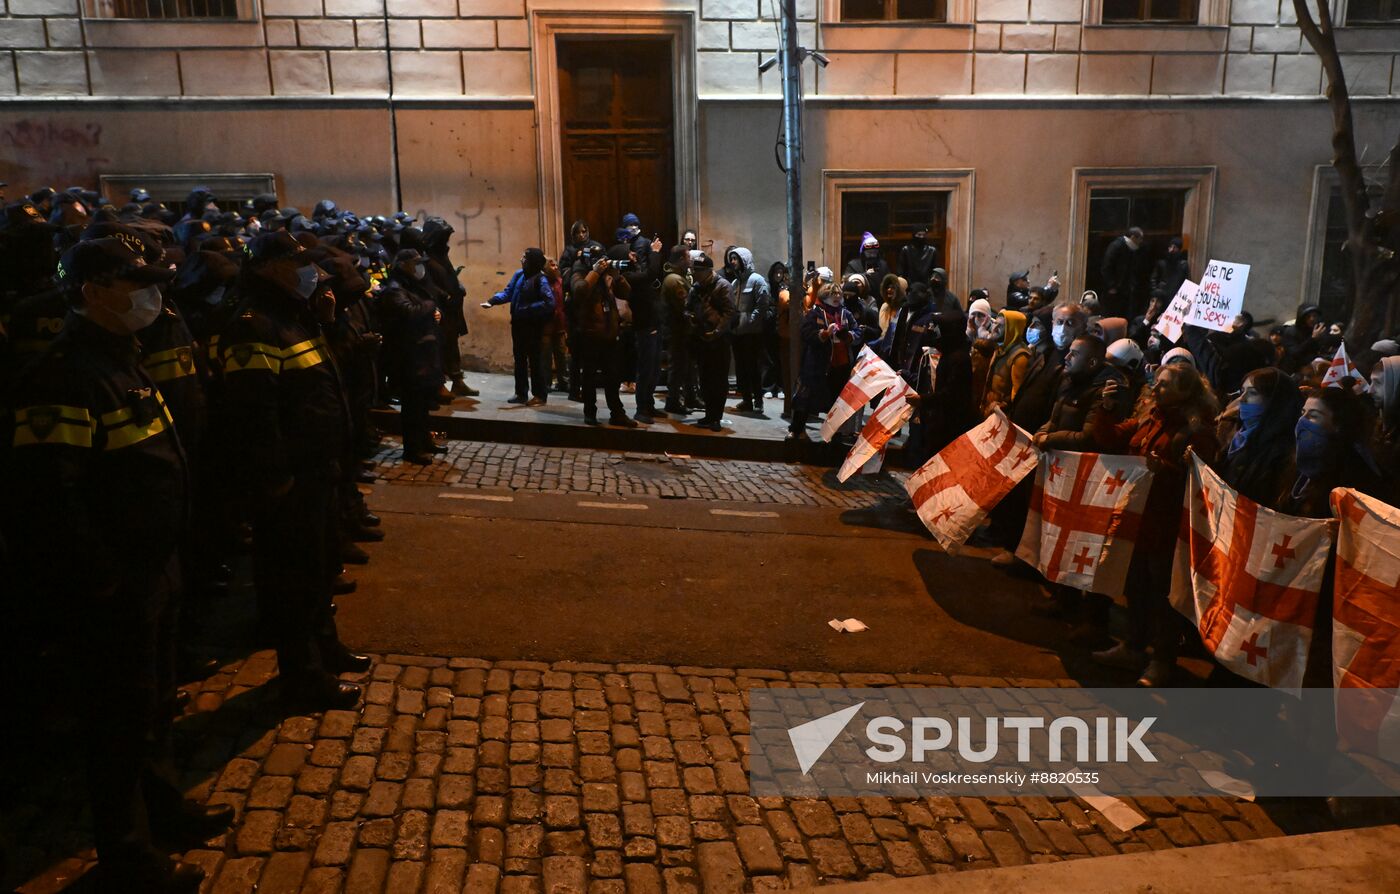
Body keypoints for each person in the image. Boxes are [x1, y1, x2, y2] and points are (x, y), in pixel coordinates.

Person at [1, 236, 227, 891]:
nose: (153, 296)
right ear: (93, 291)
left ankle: (163, 809)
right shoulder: (64, 375)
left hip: (153, 569)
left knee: (154, 704)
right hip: (115, 586)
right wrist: (102, 578)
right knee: (118, 722)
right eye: (137, 285)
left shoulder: (120, 357)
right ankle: (127, 854)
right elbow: (47, 499)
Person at [220, 232, 368, 710]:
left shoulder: (294, 317)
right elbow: (253, 412)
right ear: (269, 269)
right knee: (296, 579)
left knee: (321, 567)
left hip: (319, 470)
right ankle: (303, 675)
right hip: (292, 479)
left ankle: (326, 647)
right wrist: (277, 478)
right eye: (296, 263)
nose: (308, 273)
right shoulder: (254, 325)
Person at [1087, 363, 1220, 687]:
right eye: (1156, 382)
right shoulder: (1151, 417)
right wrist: (1105, 410)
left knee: (1163, 598)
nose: (1156, 389)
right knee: (1136, 588)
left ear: (1185, 391)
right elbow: (1113, 438)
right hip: (1140, 522)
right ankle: (1133, 646)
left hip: (1168, 528)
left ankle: (1162, 661)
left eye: (1165, 385)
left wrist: (1168, 470)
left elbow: (1202, 484)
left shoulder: (1195, 430)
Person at [1030, 335, 1131, 643]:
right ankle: (1065, 599)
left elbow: (1089, 437)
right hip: (1068, 480)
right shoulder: (1071, 380)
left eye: (1074, 354)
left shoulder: (1106, 392)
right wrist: (1047, 428)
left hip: (1093, 484)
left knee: (1089, 551)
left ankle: (1093, 620)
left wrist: (1052, 438)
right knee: (1063, 539)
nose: (1066, 358)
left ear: (1091, 361)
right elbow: (1058, 414)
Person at [379, 248, 445, 459]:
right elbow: (410, 312)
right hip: (409, 357)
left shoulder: (413, 286)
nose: (420, 268)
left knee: (422, 405)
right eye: (416, 263)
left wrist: (434, 312)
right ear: (403, 266)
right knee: (412, 407)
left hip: (422, 355)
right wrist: (430, 305)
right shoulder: (395, 289)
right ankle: (413, 449)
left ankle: (424, 441)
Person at [1279, 386, 1383, 518]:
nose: (1302, 421)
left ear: (1338, 425)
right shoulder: (1299, 464)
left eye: (1313, 416)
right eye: (1303, 413)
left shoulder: (1353, 476)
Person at [1212, 367, 1303, 507]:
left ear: (1274, 402)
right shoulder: (1234, 435)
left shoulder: (1284, 452)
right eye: (1242, 392)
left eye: (1252, 393)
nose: (1242, 399)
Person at [570, 246, 637, 427]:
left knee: (613, 377)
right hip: (590, 335)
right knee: (589, 378)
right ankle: (590, 413)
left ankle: (617, 413)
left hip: (609, 334)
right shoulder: (579, 272)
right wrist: (594, 273)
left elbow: (626, 293)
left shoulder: (605, 278)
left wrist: (617, 276)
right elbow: (579, 291)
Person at [787, 283, 861, 441]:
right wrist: (824, 334)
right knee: (805, 398)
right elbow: (806, 333)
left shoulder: (845, 314)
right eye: (831, 293)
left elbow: (857, 331)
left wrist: (848, 336)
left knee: (837, 403)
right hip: (817, 364)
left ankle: (835, 434)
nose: (836, 297)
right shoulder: (815, 313)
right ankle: (796, 430)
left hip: (841, 365)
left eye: (838, 294)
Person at [483, 248, 557, 407]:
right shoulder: (519, 275)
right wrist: (493, 301)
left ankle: (539, 395)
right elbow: (508, 293)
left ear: (532, 261)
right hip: (518, 325)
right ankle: (521, 393)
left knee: (535, 361)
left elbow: (549, 303)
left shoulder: (540, 280)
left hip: (533, 327)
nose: (521, 259)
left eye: (524, 257)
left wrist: (528, 309)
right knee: (520, 360)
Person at [420, 216, 478, 398]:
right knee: (439, 347)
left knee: (452, 345)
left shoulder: (440, 254)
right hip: (440, 309)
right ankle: (439, 385)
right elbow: (427, 282)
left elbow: (447, 275)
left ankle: (457, 380)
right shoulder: (425, 257)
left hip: (452, 309)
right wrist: (443, 295)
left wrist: (457, 285)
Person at [685, 251, 734, 431]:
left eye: (697, 270)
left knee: (718, 380)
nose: (694, 273)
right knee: (704, 379)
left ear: (707, 271)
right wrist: (690, 319)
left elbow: (729, 312)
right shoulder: (696, 288)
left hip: (718, 341)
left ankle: (716, 417)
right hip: (701, 338)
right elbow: (688, 307)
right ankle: (708, 414)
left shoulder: (722, 286)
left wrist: (716, 331)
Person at [620, 236, 665, 422]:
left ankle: (649, 404)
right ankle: (641, 408)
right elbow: (650, 275)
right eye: (634, 253)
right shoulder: (629, 275)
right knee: (646, 368)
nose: (636, 256)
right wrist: (654, 253)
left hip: (653, 322)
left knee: (654, 368)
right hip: (644, 325)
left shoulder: (639, 269)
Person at [723, 246, 770, 414]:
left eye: (736, 259)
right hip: (737, 332)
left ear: (745, 260)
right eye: (732, 259)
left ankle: (758, 400)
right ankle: (746, 400)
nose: (733, 262)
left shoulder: (757, 280)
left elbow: (763, 304)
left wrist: (750, 321)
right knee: (741, 368)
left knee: (753, 368)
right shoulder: (736, 282)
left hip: (751, 333)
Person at [661, 245, 695, 415]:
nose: (691, 260)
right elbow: (685, 305)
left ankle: (690, 397)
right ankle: (673, 400)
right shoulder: (674, 280)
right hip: (677, 330)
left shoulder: (679, 277)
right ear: (681, 259)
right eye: (688, 256)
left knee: (687, 366)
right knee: (678, 366)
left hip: (682, 330)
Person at [981, 309, 1031, 416]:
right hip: (989, 410)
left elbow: (1017, 395)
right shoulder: (1000, 348)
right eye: (995, 323)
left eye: (1001, 326)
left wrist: (1003, 406)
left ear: (1013, 329)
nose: (994, 328)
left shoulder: (1020, 356)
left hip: (1002, 415)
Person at [1100, 226, 1145, 317]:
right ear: (1133, 237)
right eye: (1140, 238)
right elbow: (1106, 267)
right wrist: (1111, 286)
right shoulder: (1116, 246)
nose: (1141, 241)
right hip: (1114, 290)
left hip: (1125, 290)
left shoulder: (1132, 249)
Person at [1150, 236, 1189, 302]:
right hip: (1162, 295)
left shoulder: (1183, 265)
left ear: (1179, 250)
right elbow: (1153, 279)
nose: (1171, 250)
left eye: (1175, 247)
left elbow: (1185, 281)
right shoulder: (1162, 263)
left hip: (1176, 297)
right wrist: (1156, 290)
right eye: (1170, 247)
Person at [877, 273, 905, 340]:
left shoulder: (904, 308)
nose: (889, 290)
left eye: (893, 288)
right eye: (887, 287)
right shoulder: (884, 306)